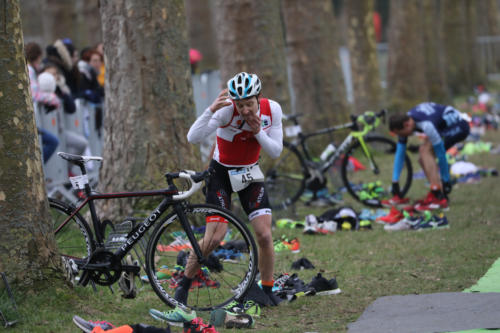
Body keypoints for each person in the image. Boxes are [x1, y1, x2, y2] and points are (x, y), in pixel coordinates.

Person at [152, 72, 284, 325]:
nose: (245, 110)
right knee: (214, 237)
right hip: (221, 173)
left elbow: (275, 151)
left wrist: (258, 132)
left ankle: (266, 289)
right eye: (240, 104)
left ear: (259, 97)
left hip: (249, 173)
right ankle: (183, 286)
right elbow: (193, 137)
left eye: (249, 103)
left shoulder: (272, 110)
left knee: (264, 235)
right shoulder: (226, 111)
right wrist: (210, 110)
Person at [385, 102, 470, 210]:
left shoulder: (426, 124)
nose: (401, 137)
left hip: (458, 126)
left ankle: (437, 194)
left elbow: (441, 154)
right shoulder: (405, 120)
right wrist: (395, 181)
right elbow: (400, 152)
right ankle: (438, 194)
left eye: (401, 134)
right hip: (442, 124)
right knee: (422, 159)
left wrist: (446, 179)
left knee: (425, 151)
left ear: (407, 125)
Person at [25, 42, 60, 163]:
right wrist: (54, 100)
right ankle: (37, 171)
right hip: (29, 119)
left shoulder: (28, 68)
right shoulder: (29, 70)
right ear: (37, 56)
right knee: (52, 141)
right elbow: (34, 95)